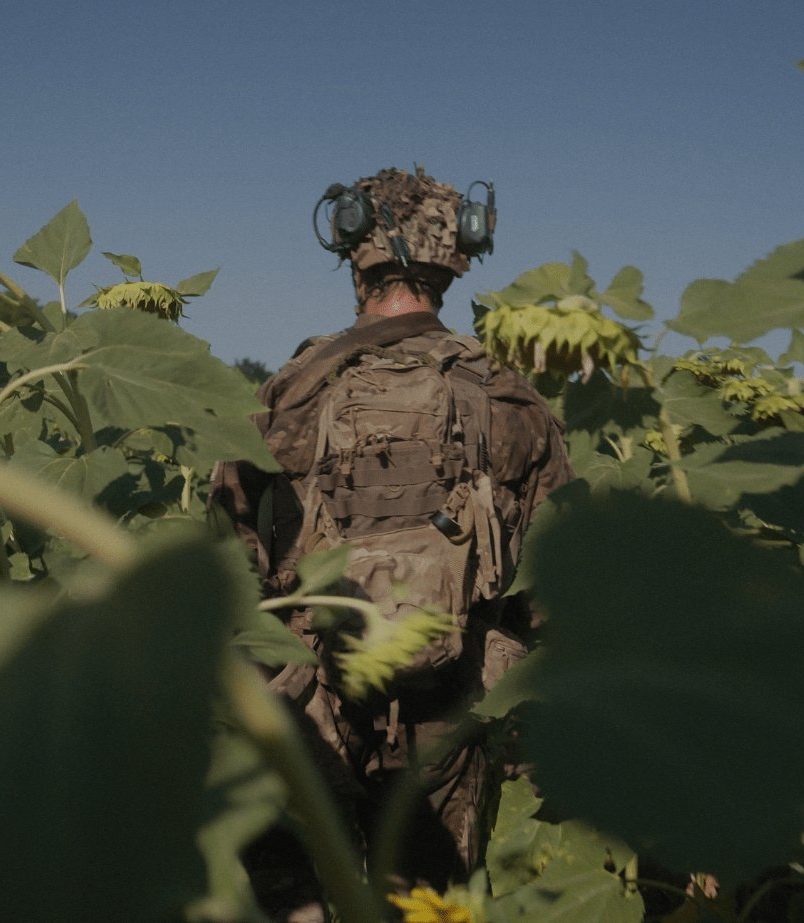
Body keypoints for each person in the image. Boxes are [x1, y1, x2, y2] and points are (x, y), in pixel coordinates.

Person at [210, 166, 573, 921]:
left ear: (354, 257)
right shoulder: (509, 398)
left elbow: (227, 564)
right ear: (457, 260)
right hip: (449, 716)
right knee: (426, 908)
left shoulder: (290, 393)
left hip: (313, 710)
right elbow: (557, 588)